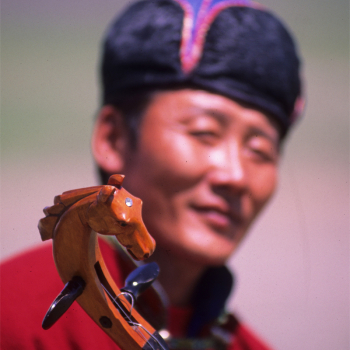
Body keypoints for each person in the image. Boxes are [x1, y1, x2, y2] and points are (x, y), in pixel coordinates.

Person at [1, 0, 303, 349]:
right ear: (113, 139)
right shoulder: (12, 318)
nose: (235, 175)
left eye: (259, 151)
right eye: (204, 133)